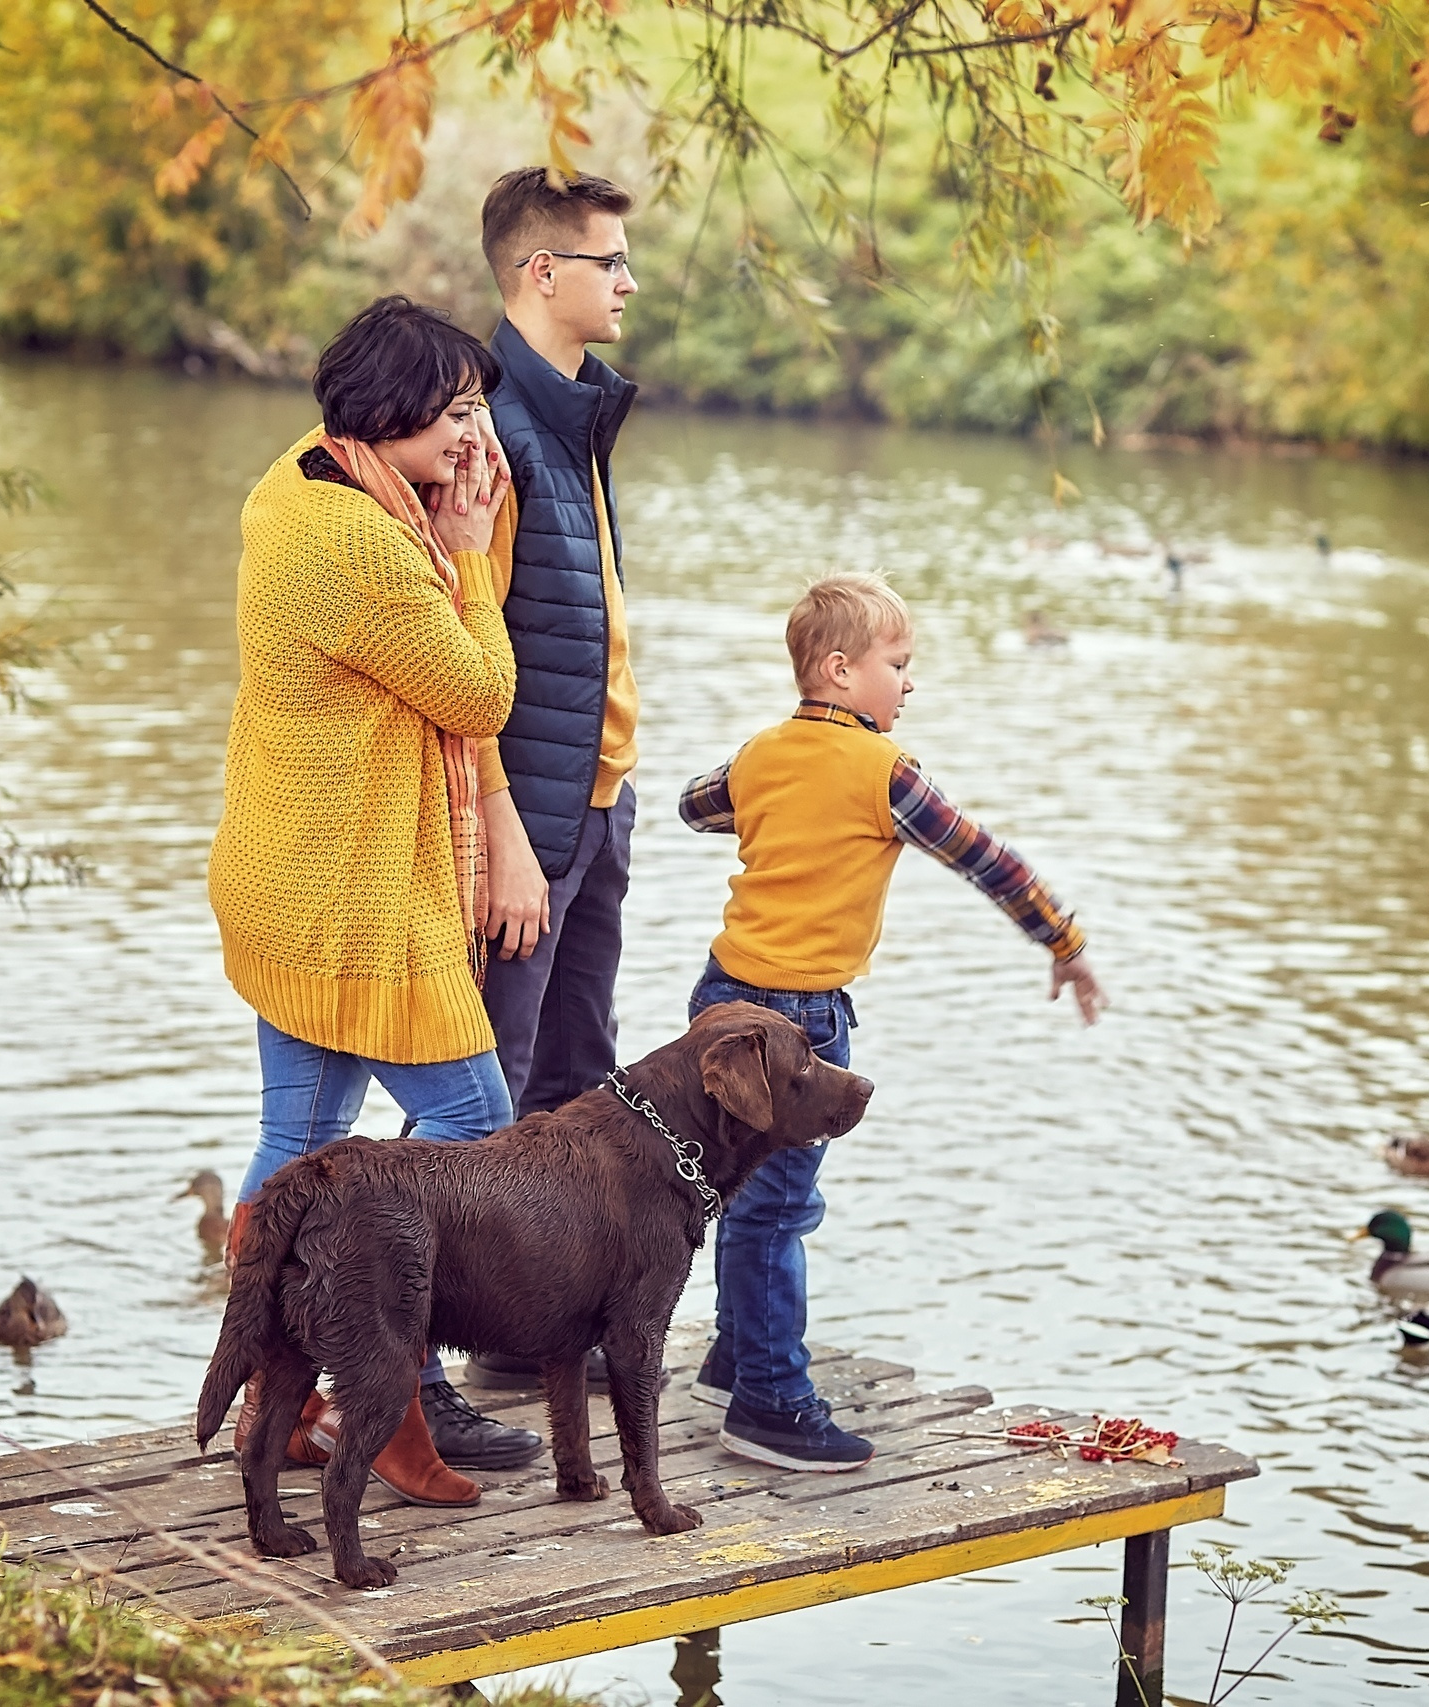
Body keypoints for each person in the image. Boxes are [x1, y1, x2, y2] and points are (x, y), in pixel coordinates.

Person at [207, 295, 544, 1496]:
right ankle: (382, 1397)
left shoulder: (301, 483)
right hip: (349, 901)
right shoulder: (365, 548)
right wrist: (466, 559)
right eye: (456, 412)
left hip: (290, 878)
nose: (474, 439)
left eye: (478, 410)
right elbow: (477, 695)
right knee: (472, 1133)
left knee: (298, 1144)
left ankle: (276, 1397)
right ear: (392, 413)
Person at [677, 572, 1110, 1469]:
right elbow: (988, 860)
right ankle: (769, 1401)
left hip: (720, 999)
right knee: (779, 1210)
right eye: (899, 664)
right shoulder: (887, 772)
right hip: (795, 1023)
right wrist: (1062, 940)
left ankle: (734, 1355)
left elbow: (696, 806)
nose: (909, 683)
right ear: (839, 670)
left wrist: (781, 808)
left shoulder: (763, 751)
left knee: (740, 1193)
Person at [459, 167, 644, 1392]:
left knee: (581, 1080)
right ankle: (453, 1352)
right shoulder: (487, 429)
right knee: (493, 1087)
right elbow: (463, 643)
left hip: (599, 801)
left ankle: (537, 1344)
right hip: (526, 822)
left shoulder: (573, 415)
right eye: (608, 262)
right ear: (542, 273)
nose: (626, 283)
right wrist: (507, 833)